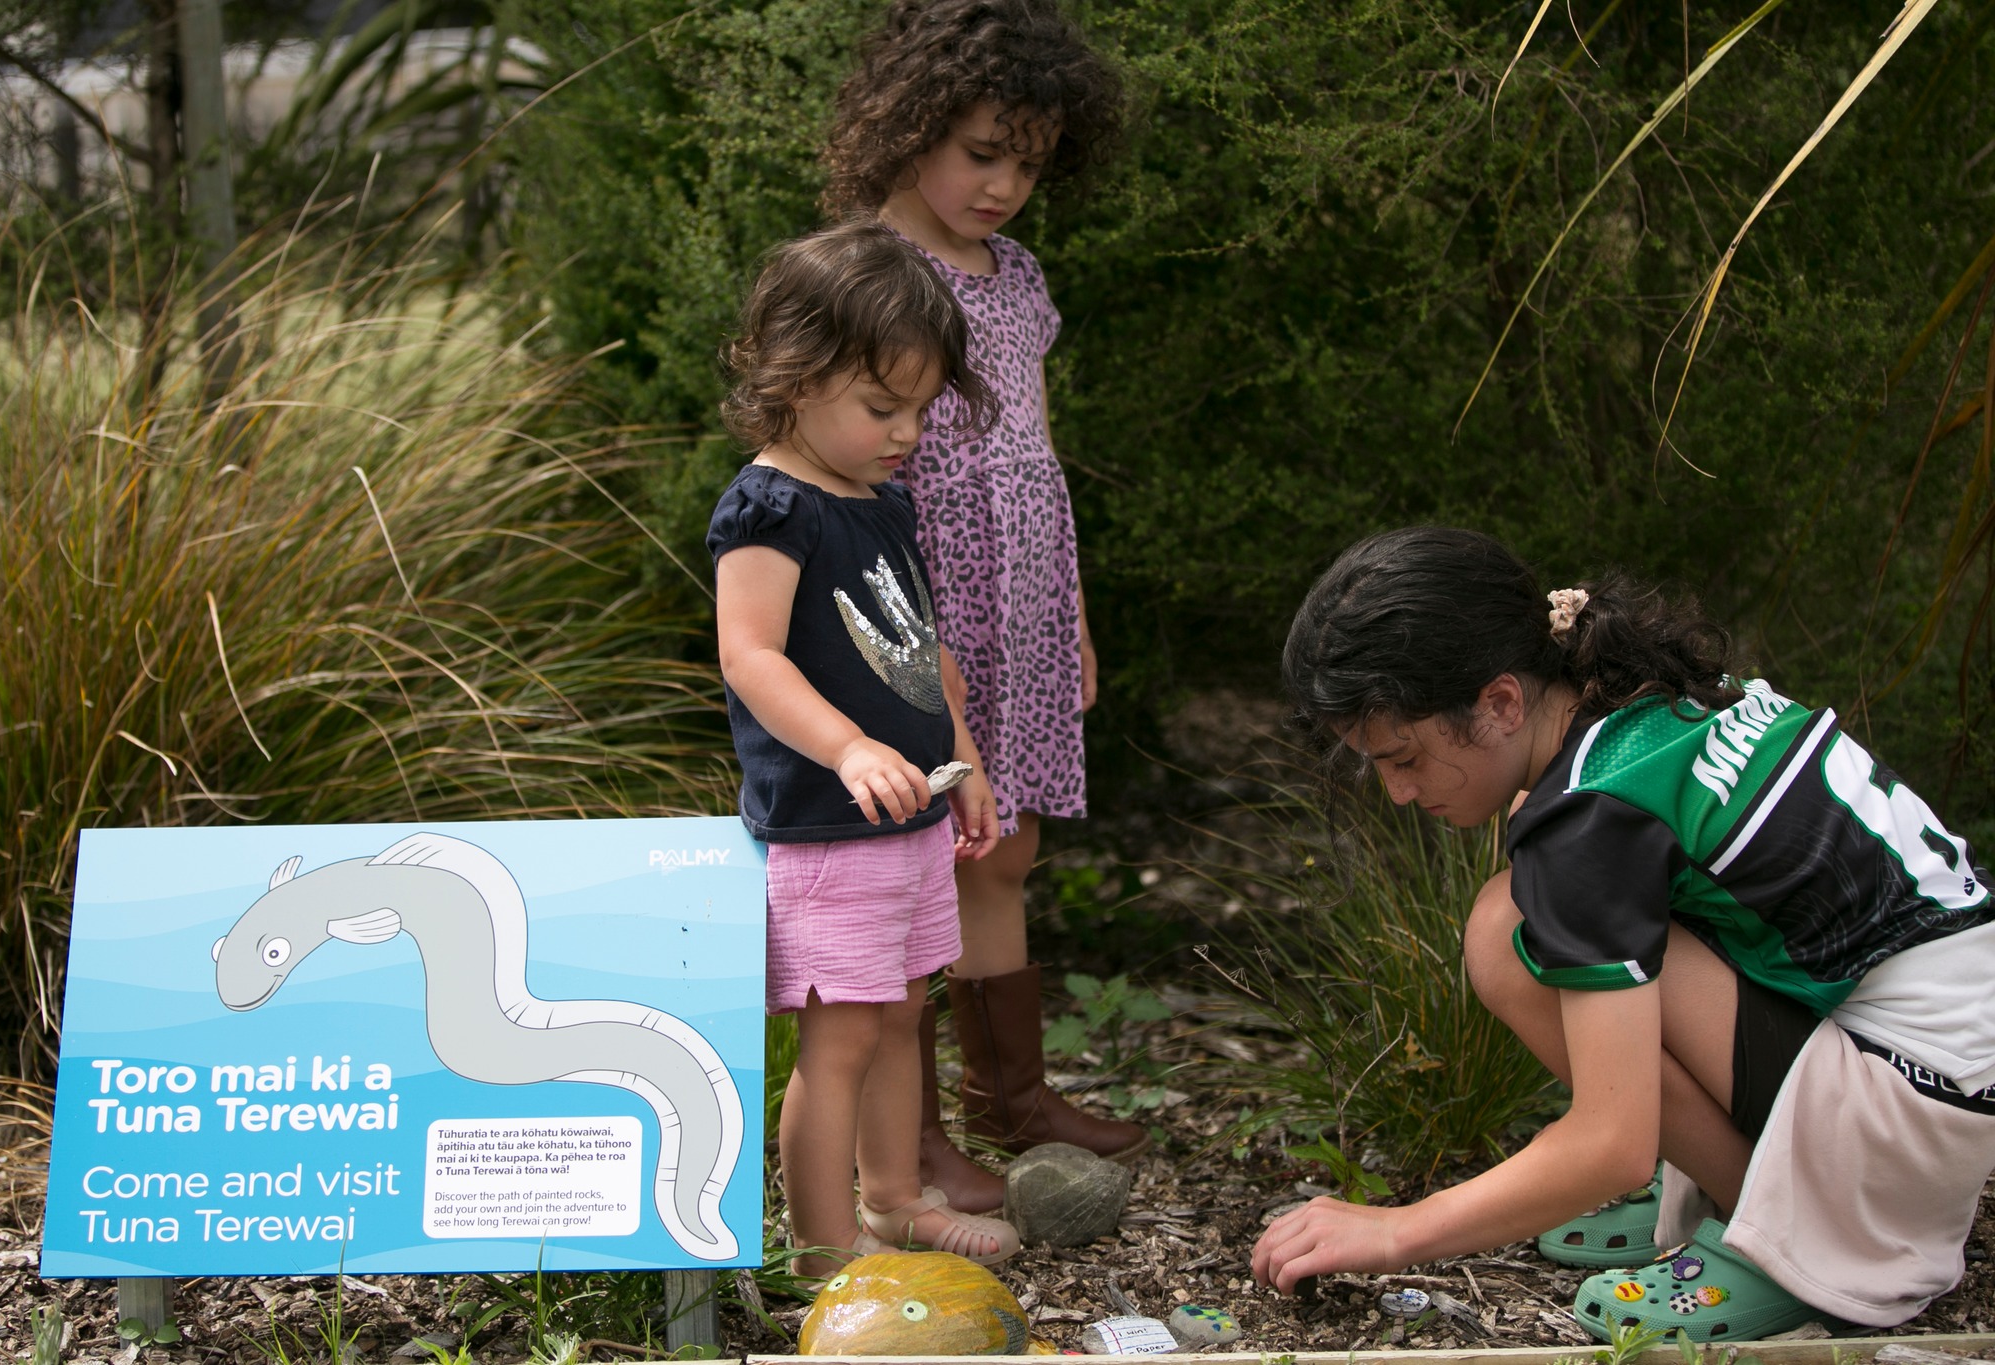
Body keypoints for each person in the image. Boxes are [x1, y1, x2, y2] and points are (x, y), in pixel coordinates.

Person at [1255, 525, 1995, 1341]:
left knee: (1508, 934)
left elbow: (1612, 1146)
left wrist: (1397, 1227)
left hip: (1899, 1125)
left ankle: (1794, 1243)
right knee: (1525, 910)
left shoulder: (1587, 822)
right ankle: (1738, 1188)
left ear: (1501, 701)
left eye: (1404, 757)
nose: (1397, 791)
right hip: (1952, 1072)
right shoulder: (1629, 689)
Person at [820, 0, 1141, 1214]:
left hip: (1022, 590)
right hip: (917, 595)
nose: (1004, 184)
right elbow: (842, 464)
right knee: (911, 865)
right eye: (980, 153)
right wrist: (905, 633)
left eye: (1030, 162)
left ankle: (1013, 1100)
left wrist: (1071, 614)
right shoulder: (863, 273)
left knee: (1004, 848)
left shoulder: (1017, 278)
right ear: (908, 131)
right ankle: (910, 1144)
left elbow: (1037, 443)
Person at [709, 221, 1019, 1278]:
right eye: (881, 407)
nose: (907, 432)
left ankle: (893, 1204)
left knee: (900, 1014)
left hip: (909, 814)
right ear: (794, 380)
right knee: (836, 1039)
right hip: (827, 827)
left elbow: (922, 653)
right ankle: (821, 1251)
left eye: (920, 410)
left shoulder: (880, 504)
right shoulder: (768, 508)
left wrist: (962, 757)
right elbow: (750, 656)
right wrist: (844, 749)